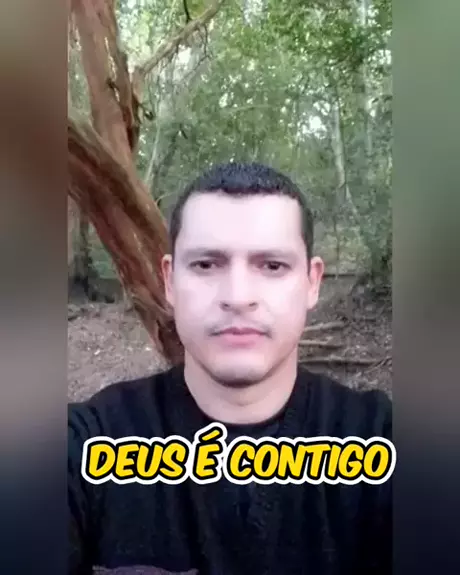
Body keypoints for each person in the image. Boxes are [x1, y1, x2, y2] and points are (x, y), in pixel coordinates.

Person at [68, 162, 392, 575]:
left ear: (312, 283)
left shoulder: (384, 441)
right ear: (169, 281)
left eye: (272, 266)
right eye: (206, 264)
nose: (238, 297)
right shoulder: (84, 447)